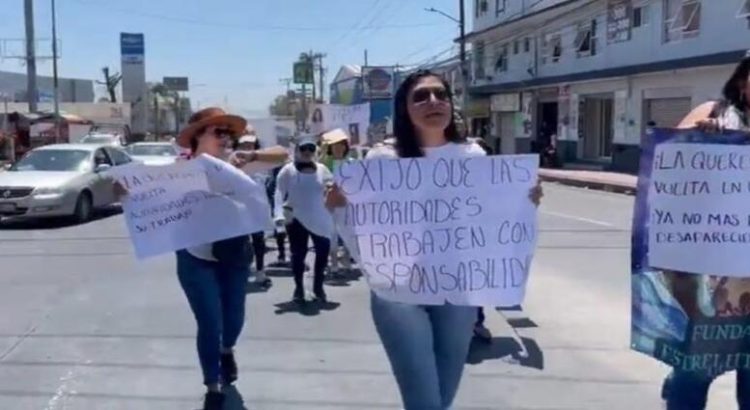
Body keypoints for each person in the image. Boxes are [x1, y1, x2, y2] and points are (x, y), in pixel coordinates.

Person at [326, 70, 543, 409]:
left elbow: (491, 219)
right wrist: (339, 207)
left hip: (458, 290)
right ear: (404, 109)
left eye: (441, 94)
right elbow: (360, 226)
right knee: (423, 400)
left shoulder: (474, 157)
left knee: (443, 394)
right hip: (398, 293)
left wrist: (524, 199)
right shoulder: (381, 160)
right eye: (421, 96)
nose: (433, 102)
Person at [168, 107, 287, 410]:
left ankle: (227, 349)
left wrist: (252, 155)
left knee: (233, 318)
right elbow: (138, 194)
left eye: (229, 133)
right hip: (194, 256)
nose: (226, 138)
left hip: (234, 254)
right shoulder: (175, 170)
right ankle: (213, 384)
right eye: (218, 132)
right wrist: (126, 190)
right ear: (197, 136)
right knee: (209, 321)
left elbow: (283, 154)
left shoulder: (236, 165)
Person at [662, 52, 750, 410]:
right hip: (714, 275)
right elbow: (666, 163)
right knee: (694, 372)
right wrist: (697, 139)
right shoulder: (714, 114)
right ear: (743, 83)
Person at [275, 137, 334, 303]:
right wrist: (278, 215)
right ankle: (299, 287)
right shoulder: (288, 170)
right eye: (303, 149)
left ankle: (318, 287)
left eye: (311, 148)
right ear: (297, 151)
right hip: (296, 218)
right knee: (298, 255)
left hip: (320, 217)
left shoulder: (322, 169)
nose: (307, 152)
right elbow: (279, 193)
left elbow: (332, 189)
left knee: (323, 252)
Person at [235, 132, 273, 289]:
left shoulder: (261, 163)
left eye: (250, 145)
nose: (247, 148)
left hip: (257, 208)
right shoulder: (233, 163)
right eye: (244, 145)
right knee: (240, 242)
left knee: (258, 241)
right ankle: (240, 272)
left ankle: (260, 270)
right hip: (239, 209)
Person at [319, 129, 354, 277]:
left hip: (348, 203)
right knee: (332, 234)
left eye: (341, 145)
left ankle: (346, 260)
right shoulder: (324, 164)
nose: (338, 148)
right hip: (329, 204)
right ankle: (333, 264)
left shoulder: (352, 163)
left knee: (349, 233)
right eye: (335, 145)